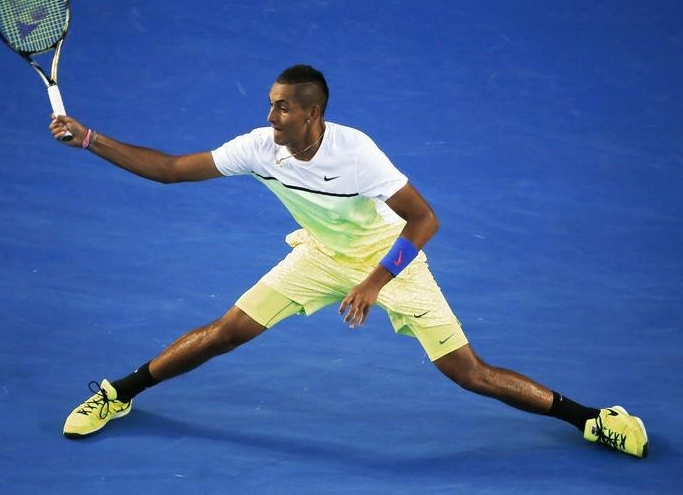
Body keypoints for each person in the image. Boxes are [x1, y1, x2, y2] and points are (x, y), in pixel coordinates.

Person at [51, 64, 647, 458]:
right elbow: (169, 170)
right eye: (270, 104)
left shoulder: (355, 152)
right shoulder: (260, 149)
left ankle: (593, 418)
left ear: (313, 114)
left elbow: (424, 220)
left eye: (282, 108)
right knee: (226, 333)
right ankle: (118, 392)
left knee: (468, 372)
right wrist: (89, 138)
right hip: (320, 256)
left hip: (390, 260)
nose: (269, 117)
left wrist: (373, 281)